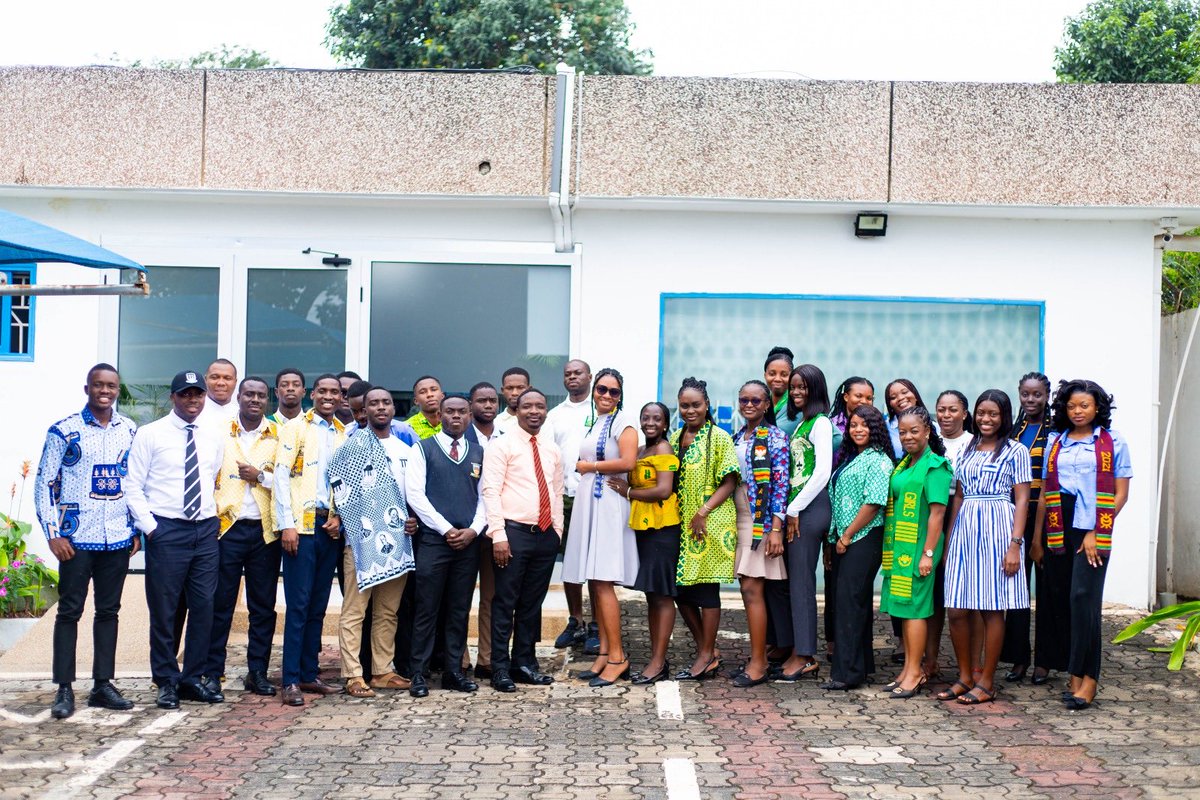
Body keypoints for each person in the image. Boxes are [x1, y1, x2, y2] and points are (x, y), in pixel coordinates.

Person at [36, 364, 139, 720]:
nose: (105, 391)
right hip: (76, 539)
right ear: (87, 389)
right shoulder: (64, 431)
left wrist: (135, 529)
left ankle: (102, 685)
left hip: (117, 539)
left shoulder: (130, 430)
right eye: (98, 385)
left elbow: (135, 483)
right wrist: (53, 533)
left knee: (109, 612)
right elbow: (44, 484)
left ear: (117, 390)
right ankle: (64, 687)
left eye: (111, 385)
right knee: (69, 612)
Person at [124, 370, 225, 710]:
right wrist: (151, 528)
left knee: (203, 608)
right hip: (166, 530)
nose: (192, 400)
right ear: (173, 397)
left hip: (204, 529)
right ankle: (166, 680)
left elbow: (212, 478)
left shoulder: (213, 436)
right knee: (165, 611)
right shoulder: (150, 434)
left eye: (197, 394)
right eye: (185, 394)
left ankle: (191, 679)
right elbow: (132, 485)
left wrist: (211, 522)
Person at [1034, 379, 1132, 710]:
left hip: (1093, 527)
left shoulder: (1112, 441)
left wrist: (1093, 530)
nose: (1078, 411)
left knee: (1084, 599)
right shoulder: (1056, 441)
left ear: (1098, 408)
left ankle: (1089, 679)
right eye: (1072, 406)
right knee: (1065, 600)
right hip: (1058, 527)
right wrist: (1039, 537)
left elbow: (1120, 493)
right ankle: (1073, 675)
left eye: (1085, 406)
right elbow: (1048, 492)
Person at [940, 389, 1032, 706]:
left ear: (1004, 416)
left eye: (993, 413)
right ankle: (966, 676)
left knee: (992, 608)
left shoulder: (1016, 451)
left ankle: (988, 681)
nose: (986, 419)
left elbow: (1021, 500)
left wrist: (1015, 545)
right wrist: (950, 539)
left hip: (998, 529)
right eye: (981, 413)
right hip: (966, 528)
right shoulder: (968, 447)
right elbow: (960, 496)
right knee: (957, 608)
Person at [329, 387, 417, 699]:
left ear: (394, 408)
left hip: (399, 540)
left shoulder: (406, 448)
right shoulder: (351, 448)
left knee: (388, 611)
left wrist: (413, 519)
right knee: (355, 611)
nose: (380, 408)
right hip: (361, 539)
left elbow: (413, 494)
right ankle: (353, 674)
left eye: (386, 403)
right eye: (373, 404)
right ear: (363, 410)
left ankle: (382, 670)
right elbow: (337, 490)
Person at [481, 388, 564, 692]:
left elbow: (556, 491)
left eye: (540, 406)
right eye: (527, 406)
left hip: (544, 536)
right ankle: (499, 668)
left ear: (545, 411)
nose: (534, 411)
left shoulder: (552, 449)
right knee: (505, 602)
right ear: (515, 409)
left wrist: (557, 531)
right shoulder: (501, 445)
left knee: (532, 604)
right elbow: (490, 490)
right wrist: (498, 535)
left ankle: (524, 664)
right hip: (513, 534)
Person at [273, 373, 348, 706]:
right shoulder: (296, 428)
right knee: (299, 605)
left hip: (329, 527)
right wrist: (286, 525)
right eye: (323, 391)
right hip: (300, 529)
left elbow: (348, 483)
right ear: (312, 394)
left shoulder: (346, 434)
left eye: (335, 392)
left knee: (318, 605)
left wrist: (340, 518)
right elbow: (280, 479)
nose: (329, 397)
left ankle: (308, 672)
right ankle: (290, 679)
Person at [406, 395, 487, 696]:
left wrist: (474, 530)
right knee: (426, 608)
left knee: (458, 609)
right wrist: (446, 529)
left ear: (469, 416)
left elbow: (486, 496)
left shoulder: (479, 451)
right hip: (434, 542)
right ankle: (419, 673)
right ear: (439, 415)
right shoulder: (423, 449)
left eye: (461, 412)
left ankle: (453, 671)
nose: (456, 417)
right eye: (449, 412)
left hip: (467, 544)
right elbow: (415, 495)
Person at [562, 368, 639, 687]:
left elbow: (628, 462)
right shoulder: (595, 422)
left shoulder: (625, 423)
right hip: (589, 505)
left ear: (621, 396)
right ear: (594, 391)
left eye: (614, 392)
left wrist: (589, 467)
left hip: (608, 505)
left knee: (604, 580)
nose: (607, 396)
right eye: (602, 390)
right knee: (594, 580)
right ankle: (604, 654)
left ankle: (619, 657)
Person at [206, 377, 281, 697]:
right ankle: (213, 672)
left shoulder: (278, 435)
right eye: (249, 394)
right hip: (226, 529)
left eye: (261, 396)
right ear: (239, 396)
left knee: (262, 606)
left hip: (265, 531)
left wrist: (260, 476)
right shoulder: (219, 431)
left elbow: (294, 480)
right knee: (219, 604)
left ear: (268, 401)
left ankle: (257, 673)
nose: (254, 399)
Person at [880, 407, 952, 698]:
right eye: (902, 432)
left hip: (920, 547)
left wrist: (928, 553)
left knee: (915, 612)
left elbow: (937, 514)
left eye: (914, 431)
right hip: (900, 548)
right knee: (903, 610)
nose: (908, 436)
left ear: (927, 432)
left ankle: (916, 672)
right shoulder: (905, 465)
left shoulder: (936, 466)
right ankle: (908, 669)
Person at [671, 377, 738, 681]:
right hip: (682, 526)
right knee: (681, 591)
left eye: (695, 405)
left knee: (707, 590)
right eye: (684, 405)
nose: (690, 410)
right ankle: (706, 650)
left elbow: (730, 480)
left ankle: (706, 654)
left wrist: (703, 511)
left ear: (706, 405)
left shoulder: (719, 437)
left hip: (711, 523)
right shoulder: (675, 437)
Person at [607, 402, 679, 685]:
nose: (650, 422)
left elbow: (664, 490)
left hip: (662, 529)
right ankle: (657, 658)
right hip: (644, 529)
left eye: (656, 418)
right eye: (645, 417)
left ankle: (658, 662)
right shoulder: (639, 451)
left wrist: (628, 491)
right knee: (652, 594)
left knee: (662, 596)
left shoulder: (663, 448)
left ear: (664, 424)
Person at [821, 404, 892, 691]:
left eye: (865, 425)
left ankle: (847, 674)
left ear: (875, 429)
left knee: (850, 604)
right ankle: (860, 667)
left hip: (863, 538)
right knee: (852, 603)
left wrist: (847, 536)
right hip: (844, 539)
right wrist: (833, 540)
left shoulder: (879, 460)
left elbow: (874, 502)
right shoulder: (853, 457)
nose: (858, 430)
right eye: (853, 425)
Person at [730, 380, 789, 687]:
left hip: (760, 520)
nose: (749, 404)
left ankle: (759, 663)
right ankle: (758, 656)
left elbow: (781, 486)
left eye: (756, 400)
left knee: (753, 590)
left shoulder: (776, 438)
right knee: (747, 589)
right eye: (744, 399)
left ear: (767, 404)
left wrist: (776, 528)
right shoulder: (738, 436)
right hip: (739, 516)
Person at [779, 364, 834, 681]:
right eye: (794, 387)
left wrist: (794, 510)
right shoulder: (805, 423)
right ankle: (797, 650)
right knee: (793, 583)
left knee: (801, 583)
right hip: (798, 509)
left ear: (816, 389)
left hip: (809, 510)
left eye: (803, 387)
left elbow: (821, 473)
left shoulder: (822, 424)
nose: (797, 392)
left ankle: (805, 656)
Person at [1002, 372, 1053, 684]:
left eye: (1037, 394)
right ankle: (1018, 658)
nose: (1031, 400)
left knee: (1046, 593)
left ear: (1046, 395)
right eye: (1025, 394)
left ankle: (1044, 662)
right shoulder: (1014, 430)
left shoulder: (1056, 431)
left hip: (1046, 516)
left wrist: (1038, 537)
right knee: (1016, 593)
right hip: (1015, 513)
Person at [547, 359, 597, 652]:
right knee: (570, 564)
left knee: (595, 564)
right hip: (564, 497)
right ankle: (576, 621)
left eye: (578, 372)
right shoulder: (555, 415)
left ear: (589, 376)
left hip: (594, 496)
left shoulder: (601, 409)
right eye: (568, 374)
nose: (572, 377)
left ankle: (597, 625)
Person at [824, 376, 875, 660]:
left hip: (858, 526)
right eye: (859, 396)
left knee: (852, 594)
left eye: (869, 398)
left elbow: (873, 499)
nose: (863, 402)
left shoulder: (872, 442)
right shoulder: (831, 427)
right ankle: (836, 646)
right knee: (836, 588)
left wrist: (845, 534)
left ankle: (851, 656)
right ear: (845, 396)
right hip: (835, 514)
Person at [927, 388, 975, 678]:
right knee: (932, 597)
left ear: (964, 414)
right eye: (941, 410)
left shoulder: (973, 443)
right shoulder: (929, 441)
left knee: (964, 600)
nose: (946, 416)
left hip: (962, 521)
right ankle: (929, 662)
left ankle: (970, 666)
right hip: (931, 519)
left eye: (952, 410)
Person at [465, 381, 501, 679]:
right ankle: (459, 659)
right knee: (460, 597)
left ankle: (487, 659)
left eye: (492, 401)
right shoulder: (456, 437)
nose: (488, 405)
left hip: (495, 531)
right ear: (470, 405)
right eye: (481, 401)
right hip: (464, 531)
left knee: (491, 597)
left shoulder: (506, 437)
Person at [884, 379, 926, 460]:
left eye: (904, 392)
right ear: (890, 405)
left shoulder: (934, 427)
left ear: (915, 396)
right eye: (893, 397)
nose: (900, 398)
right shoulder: (884, 428)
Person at [196, 359, 239, 431]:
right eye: (215, 377)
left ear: (235, 382)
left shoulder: (242, 416)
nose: (221, 383)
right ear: (205, 380)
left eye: (227, 378)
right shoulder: (193, 413)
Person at [763, 346, 796, 436]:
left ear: (792, 376)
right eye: (772, 374)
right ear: (765, 375)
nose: (777, 379)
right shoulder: (761, 403)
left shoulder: (797, 404)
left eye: (784, 375)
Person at [495, 367, 530, 434]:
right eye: (509, 388)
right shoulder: (495, 423)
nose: (514, 393)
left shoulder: (543, 423)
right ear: (502, 391)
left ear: (529, 389)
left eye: (520, 387)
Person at [407, 375, 444, 439]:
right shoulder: (407, 427)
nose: (429, 395)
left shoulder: (453, 423)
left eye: (434, 390)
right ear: (416, 401)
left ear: (442, 396)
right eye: (423, 392)